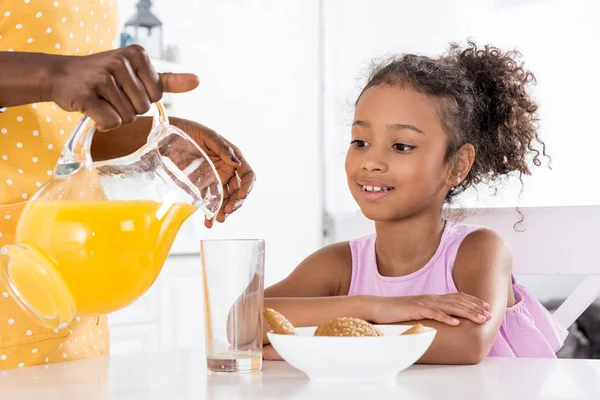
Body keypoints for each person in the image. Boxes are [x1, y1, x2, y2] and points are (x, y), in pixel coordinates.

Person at [263, 41, 567, 364]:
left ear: (457, 165)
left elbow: (467, 342)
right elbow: (242, 320)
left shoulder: (479, 251)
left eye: (402, 146)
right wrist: (375, 307)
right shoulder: (339, 266)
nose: (371, 161)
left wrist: (313, 339)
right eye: (360, 142)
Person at [0, 1, 254, 370]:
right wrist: (53, 74)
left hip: (75, 307)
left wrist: (160, 140)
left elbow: (50, 127)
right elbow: (54, 83)